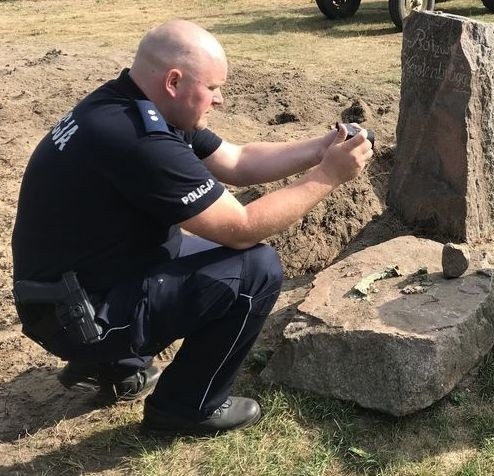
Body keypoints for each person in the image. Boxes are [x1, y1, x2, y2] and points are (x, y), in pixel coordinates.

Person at [11, 19, 373, 435]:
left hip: (69, 293)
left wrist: (321, 148)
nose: (219, 100)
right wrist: (328, 176)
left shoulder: (127, 104)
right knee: (255, 269)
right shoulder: (138, 139)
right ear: (173, 81)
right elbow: (242, 226)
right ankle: (186, 407)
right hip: (74, 313)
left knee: (193, 245)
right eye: (213, 88)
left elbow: (237, 162)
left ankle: (113, 364)